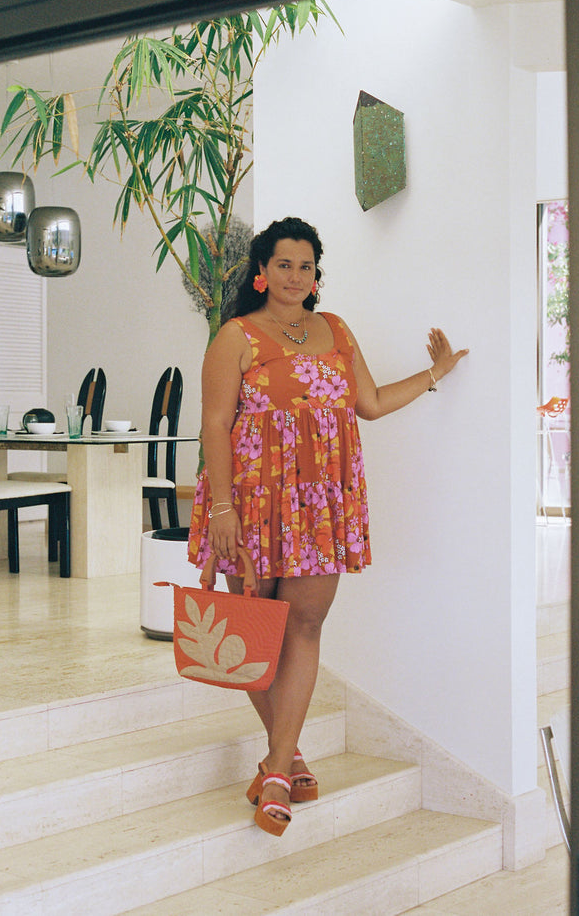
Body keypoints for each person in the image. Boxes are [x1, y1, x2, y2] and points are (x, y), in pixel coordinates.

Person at [187, 216, 468, 836]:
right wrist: (223, 511)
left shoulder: (335, 330)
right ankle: (287, 762)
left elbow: (369, 403)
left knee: (306, 625)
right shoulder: (236, 336)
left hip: (318, 504)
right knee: (254, 634)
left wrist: (435, 375)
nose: (295, 276)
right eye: (284, 264)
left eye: (306, 266)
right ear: (262, 272)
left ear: (317, 276)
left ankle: (277, 770)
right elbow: (214, 425)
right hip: (251, 502)